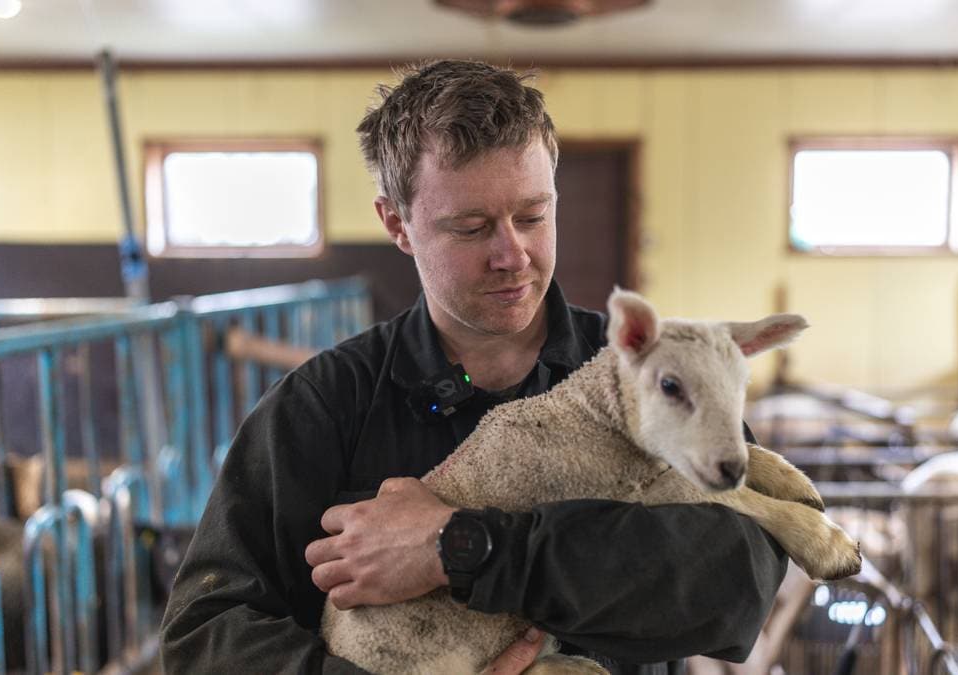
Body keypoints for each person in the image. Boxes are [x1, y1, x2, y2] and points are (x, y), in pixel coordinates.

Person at [159, 59, 787, 675]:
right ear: (397, 224)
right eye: (471, 227)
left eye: (533, 216)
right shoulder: (321, 405)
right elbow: (204, 631)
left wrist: (463, 548)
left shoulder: (654, 372)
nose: (513, 255)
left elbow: (742, 580)